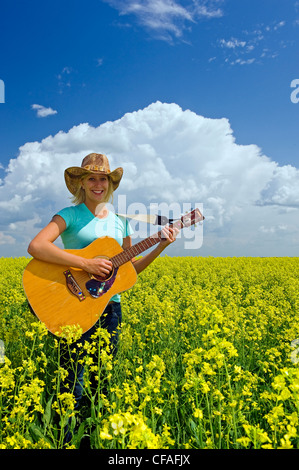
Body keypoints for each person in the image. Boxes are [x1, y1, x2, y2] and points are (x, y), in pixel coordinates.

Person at [27, 153, 178, 440]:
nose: (98, 184)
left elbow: (129, 270)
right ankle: (67, 440)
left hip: (110, 309)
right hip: (73, 304)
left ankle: (95, 438)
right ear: (81, 183)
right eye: (92, 178)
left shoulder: (121, 222)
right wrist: (86, 264)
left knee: (102, 380)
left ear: (110, 184)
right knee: (72, 381)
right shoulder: (68, 215)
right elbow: (36, 246)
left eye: (104, 179)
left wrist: (160, 245)